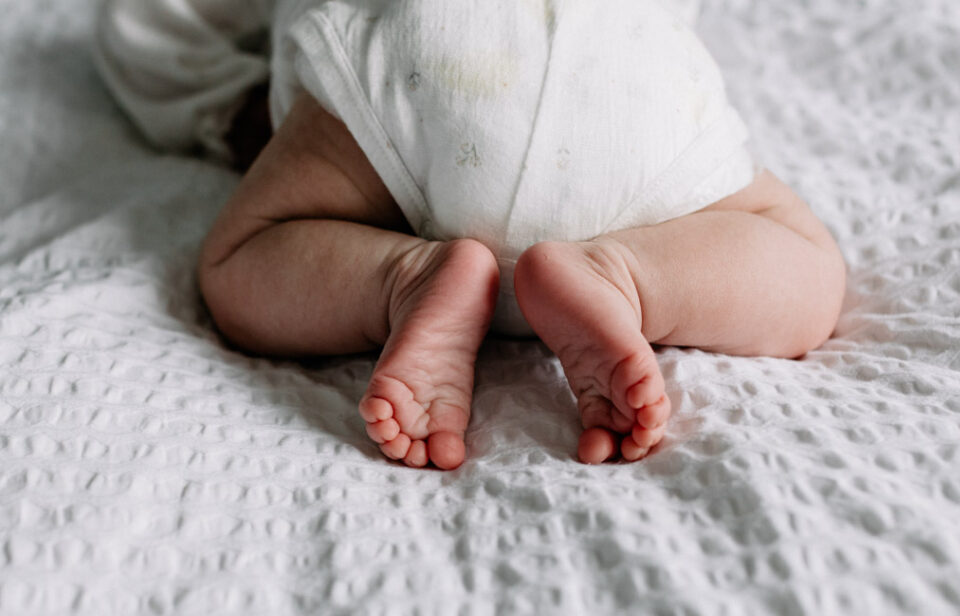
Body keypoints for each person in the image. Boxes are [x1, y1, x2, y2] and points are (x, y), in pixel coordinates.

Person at [94, 0, 847, 470]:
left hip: (410, 57)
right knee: (805, 263)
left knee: (241, 258)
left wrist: (233, 113)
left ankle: (404, 278)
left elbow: (143, 22)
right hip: (624, 65)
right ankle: (623, 273)